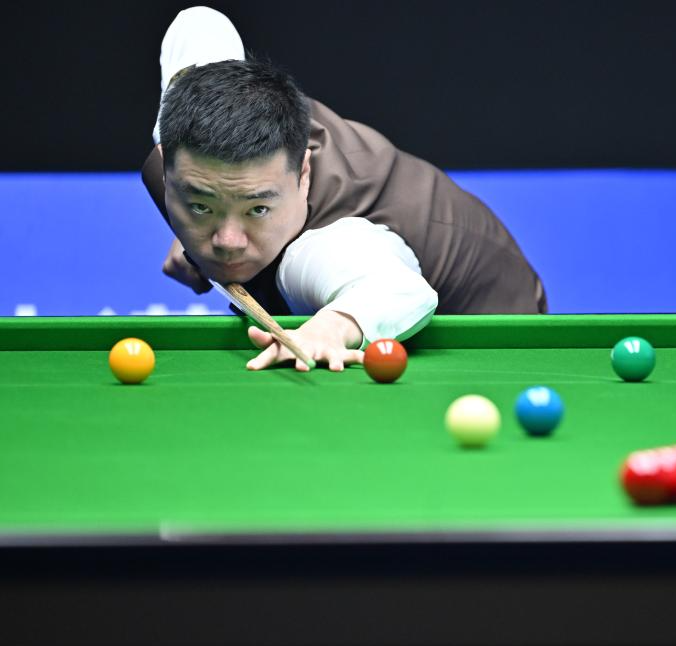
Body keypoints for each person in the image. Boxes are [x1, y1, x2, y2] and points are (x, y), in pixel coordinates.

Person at [142, 7, 547, 372]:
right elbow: (199, 22)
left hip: (492, 328)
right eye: (200, 204)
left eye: (257, 209)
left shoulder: (323, 249)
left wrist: (329, 329)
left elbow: (399, 291)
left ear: (303, 174)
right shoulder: (187, 119)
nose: (227, 242)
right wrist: (199, 226)